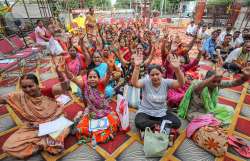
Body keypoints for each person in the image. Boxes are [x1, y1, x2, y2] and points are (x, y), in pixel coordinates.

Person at [0, 73, 69, 159]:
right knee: (8, 147)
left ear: (37, 84)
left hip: (54, 122)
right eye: (24, 87)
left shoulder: (46, 91)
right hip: (35, 127)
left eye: (30, 86)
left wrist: (61, 74)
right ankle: (43, 143)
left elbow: (65, 87)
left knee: (56, 148)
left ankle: (45, 141)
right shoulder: (20, 96)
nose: (28, 90)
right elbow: (3, 99)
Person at [62, 64, 120, 144]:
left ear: (99, 79)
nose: (92, 79)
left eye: (94, 77)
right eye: (90, 77)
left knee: (112, 123)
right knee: (81, 128)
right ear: (87, 79)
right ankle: (101, 135)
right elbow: (73, 78)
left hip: (103, 111)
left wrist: (109, 67)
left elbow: (108, 75)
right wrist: (65, 70)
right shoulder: (84, 86)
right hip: (91, 112)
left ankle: (100, 135)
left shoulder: (102, 85)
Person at [178, 66, 250, 124]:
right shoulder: (199, 85)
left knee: (230, 110)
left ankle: (216, 122)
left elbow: (234, 83)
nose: (216, 84)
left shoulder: (217, 84)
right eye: (213, 81)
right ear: (206, 79)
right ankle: (214, 121)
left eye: (218, 81)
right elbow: (199, 86)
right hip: (194, 113)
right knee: (209, 119)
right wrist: (214, 77)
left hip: (209, 110)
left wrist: (244, 78)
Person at [132, 54, 184, 132]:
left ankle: (154, 126)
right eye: (152, 75)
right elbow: (135, 83)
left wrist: (177, 69)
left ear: (162, 74)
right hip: (145, 112)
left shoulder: (166, 82)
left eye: (157, 74)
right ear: (149, 76)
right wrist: (136, 67)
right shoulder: (146, 82)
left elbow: (180, 83)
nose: (155, 77)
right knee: (139, 122)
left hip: (161, 112)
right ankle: (162, 126)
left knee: (177, 123)